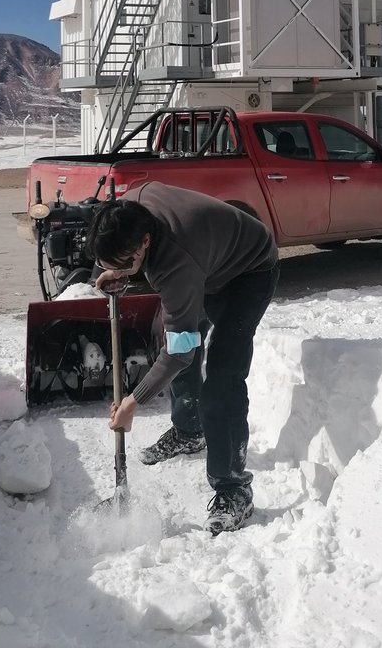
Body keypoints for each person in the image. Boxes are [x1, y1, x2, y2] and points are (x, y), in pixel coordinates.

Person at [84, 181, 279, 534]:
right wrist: (114, 269)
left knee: (223, 376)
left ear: (144, 242)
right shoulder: (130, 207)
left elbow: (180, 351)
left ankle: (234, 489)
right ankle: (190, 430)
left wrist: (133, 401)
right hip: (208, 259)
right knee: (171, 331)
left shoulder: (176, 266)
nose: (114, 269)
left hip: (249, 272)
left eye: (122, 263)